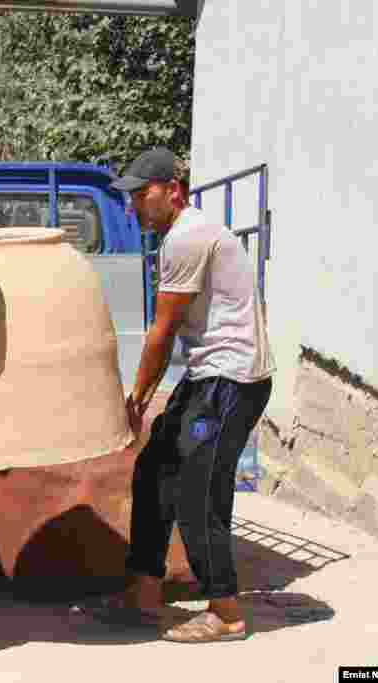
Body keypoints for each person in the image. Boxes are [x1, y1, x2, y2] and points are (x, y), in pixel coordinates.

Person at [109, 147, 275, 643]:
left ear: (172, 191)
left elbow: (162, 331)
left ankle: (226, 612)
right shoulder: (181, 235)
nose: (134, 205)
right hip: (209, 375)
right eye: (131, 196)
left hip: (232, 379)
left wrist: (137, 395)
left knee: (197, 491)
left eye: (142, 194)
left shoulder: (187, 238)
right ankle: (143, 591)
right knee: (155, 467)